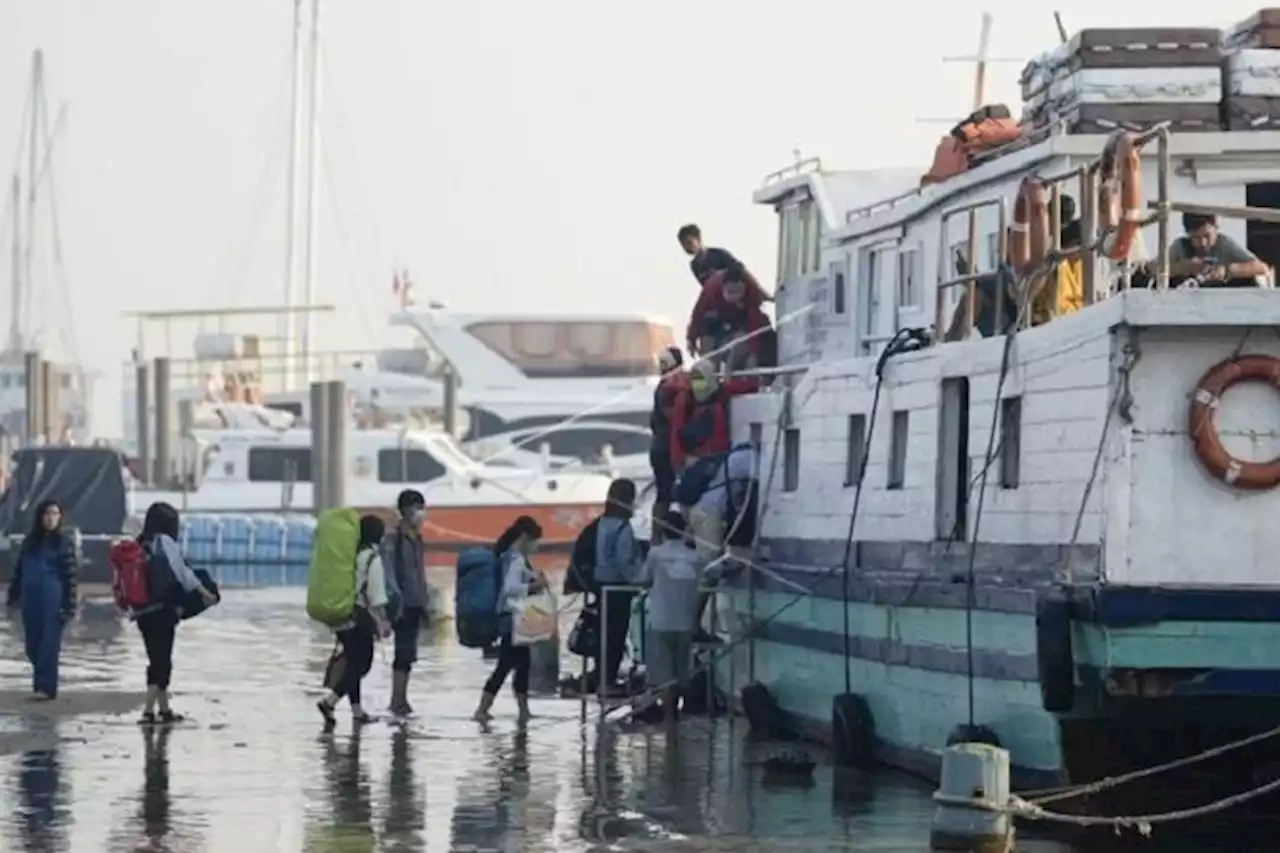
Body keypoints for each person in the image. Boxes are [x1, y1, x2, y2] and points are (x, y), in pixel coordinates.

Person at [135, 502, 218, 725]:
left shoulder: (140, 542)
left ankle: (163, 709)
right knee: (161, 662)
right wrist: (205, 593)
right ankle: (148, 711)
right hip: (163, 610)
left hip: (142, 612)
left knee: (157, 659)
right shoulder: (165, 541)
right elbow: (183, 574)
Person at [317, 515, 393, 731]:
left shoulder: (350, 555)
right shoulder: (372, 558)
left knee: (352, 662)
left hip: (341, 614)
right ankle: (329, 702)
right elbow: (376, 594)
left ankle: (357, 711)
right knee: (361, 665)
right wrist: (383, 621)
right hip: (359, 617)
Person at [473, 515, 546, 723]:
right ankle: (483, 710)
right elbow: (510, 589)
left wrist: (532, 578)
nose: (536, 546)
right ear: (525, 537)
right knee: (508, 665)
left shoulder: (508, 557)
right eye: (534, 541)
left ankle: (522, 711)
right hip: (512, 618)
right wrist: (534, 586)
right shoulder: (516, 559)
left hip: (510, 618)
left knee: (520, 664)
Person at [684, 442, 758, 642]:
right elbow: (738, 496)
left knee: (709, 567)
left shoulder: (732, 458)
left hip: (701, 511)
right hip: (710, 515)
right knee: (708, 570)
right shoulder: (748, 461)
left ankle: (693, 623)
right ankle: (692, 626)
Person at [6, 500, 79, 700]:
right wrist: (13, 596)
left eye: (55, 514)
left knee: (49, 643)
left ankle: (46, 687)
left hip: (53, 596)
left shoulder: (64, 543)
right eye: (47, 513)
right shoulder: (30, 542)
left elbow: (71, 576)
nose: (51, 518)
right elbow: (19, 570)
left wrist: (70, 605)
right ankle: (42, 680)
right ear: (40, 516)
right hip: (30, 596)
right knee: (32, 644)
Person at [634, 511, 702, 724]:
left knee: (662, 677)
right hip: (685, 623)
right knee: (680, 672)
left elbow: (643, 579)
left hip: (660, 622)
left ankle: (668, 720)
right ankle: (674, 720)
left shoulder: (656, 554)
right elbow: (708, 579)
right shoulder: (696, 558)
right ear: (683, 530)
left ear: (663, 531)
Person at [594, 478, 644, 691]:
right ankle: (609, 681)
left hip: (601, 583)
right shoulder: (623, 527)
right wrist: (639, 580)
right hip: (618, 586)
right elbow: (625, 560)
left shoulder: (603, 523)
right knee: (616, 635)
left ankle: (601, 678)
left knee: (605, 634)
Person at [381, 489, 426, 716]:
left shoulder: (417, 539)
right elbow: (389, 573)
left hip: (416, 602)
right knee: (403, 652)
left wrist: (425, 602)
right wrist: (393, 604)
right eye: (416, 507)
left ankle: (402, 698)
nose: (421, 513)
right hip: (401, 604)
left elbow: (420, 573)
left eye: (422, 507)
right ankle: (396, 700)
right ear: (405, 510)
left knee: (409, 655)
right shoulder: (394, 540)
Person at [669, 360, 759, 472]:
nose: (696, 383)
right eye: (694, 379)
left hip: (719, 458)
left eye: (700, 378)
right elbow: (676, 432)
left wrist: (758, 384)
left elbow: (740, 387)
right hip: (695, 460)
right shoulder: (685, 399)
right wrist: (679, 461)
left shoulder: (720, 392)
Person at [686, 268, 774, 370]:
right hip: (714, 321)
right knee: (709, 354)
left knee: (742, 345)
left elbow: (754, 323)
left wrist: (754, 353)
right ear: (723, 287)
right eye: (731, 292)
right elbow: (697, 315)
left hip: (738, 319)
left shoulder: (751, 292)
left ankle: (732, 374)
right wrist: (691, 339)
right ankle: (712, 374)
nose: (734, 297)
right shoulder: (711, 289)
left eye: (739, 292)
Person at [1166, 212, 1268, 287]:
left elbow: (1261, 268)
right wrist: (1183, 267)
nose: (1203, 243)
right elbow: (1153, 270)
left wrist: (1227, 271)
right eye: (1196, 238)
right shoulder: (1181, 246)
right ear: (1188, 234)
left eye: (1207, 236)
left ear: (1216, 229)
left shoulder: (1224, 244)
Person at [649, 348, 688, 542]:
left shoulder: (664, 386)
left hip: (659, 448)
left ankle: (659, 536)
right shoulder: (668, 388)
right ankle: (659, 537)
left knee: (664, 495)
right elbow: (672, 417)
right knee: (666, 496)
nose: (662, 367)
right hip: (665, 450)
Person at [677, 224, 770, 296]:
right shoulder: (695, 265)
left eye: (689, 243)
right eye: (683, 245)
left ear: (698, 238)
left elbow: (742, 272)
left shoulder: (718, 254)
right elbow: (706, 288)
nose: (687, 247)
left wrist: (760, 291)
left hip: (736, 293)